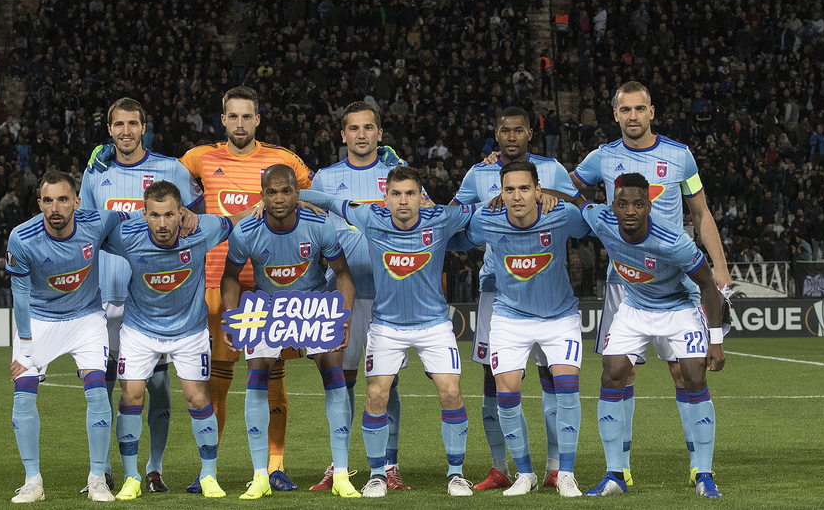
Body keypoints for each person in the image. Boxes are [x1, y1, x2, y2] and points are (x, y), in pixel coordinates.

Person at [570, 81, 730, 487]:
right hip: (624, 281)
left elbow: (701, 213)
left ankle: (699, 468)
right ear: (615, 114)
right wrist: (509, 168)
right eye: (625, 110)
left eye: (640, 109)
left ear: (651, 112)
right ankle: (618, 469)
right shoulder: (602, 157)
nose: (633, 116)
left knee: (684, 373)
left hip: (677, 273)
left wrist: (720, 265)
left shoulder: (679, 156)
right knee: (618, 373)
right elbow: (567, 188)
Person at [299, 166, 476, 498]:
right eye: (396, 194)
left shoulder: (441, 218)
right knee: (376, 395)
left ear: (421, 197)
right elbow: (330, 201)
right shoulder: (370, 217)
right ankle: (377, 475)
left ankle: (456, 474)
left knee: (451, 392)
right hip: (386, 326)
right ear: (386, 198)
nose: (403, 200)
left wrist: (515, 199)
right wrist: (291, 195)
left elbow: (480, 213)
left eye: (410, 194)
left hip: (434, 324)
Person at [180, 86, 313, 491]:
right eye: (233, 116)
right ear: (223, 120)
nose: (240, 124)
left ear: (258, 119)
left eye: (247, 116)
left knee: (273, 377)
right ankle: (208, 470)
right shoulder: (200, 158)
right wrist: (110, 155)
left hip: (272, 286)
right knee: (217, 381)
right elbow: (160, 179)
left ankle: (275, 467)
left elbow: (316, 194)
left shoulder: (283, 160)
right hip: (219, 282)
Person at [79, 97, 204, 494]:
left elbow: (196, 217)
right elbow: (85, 230)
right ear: (109, 129)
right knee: (104, 389)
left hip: (154, 302)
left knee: (158, 389)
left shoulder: (172, 170)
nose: (126, 131)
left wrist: (193, 215)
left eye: (133, 123)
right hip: (103, 298)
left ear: (144, 127)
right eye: (119, 124)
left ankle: (154, 469)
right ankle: (102, 471)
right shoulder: (96, 173)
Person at [452, 106, 578, 490]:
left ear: (529, 134)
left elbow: (576, 207)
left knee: (551, 375)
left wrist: (550, 195)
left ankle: (555, 467)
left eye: (518, 131)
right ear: (496, 134)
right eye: (505, 131)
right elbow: (455, 217)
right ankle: (501, 466)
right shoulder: (479, 172)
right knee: (494, 379)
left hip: (546, 287)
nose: (511, 137)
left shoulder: (552, 169)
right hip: (497, 286)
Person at [578, 172, 725, 498]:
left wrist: (716, 340)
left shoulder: (673, 241)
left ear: (649, 206)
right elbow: (575, 199)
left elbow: (707, 285)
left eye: (638, 204)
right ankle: (615, 474)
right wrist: (546, 194)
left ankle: (704, 474)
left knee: (694, 377)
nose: (630, 210)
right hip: (635, 308)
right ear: (613, 206)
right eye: (623, 204)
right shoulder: (601, 221)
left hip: (679, 308)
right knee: (612, 372)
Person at [221, 164, 360, 499]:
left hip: (314, 304)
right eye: (271, 192)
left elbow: (343, 274)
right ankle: (260, 476)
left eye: (286, 191)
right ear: (262, 195)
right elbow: (230, 277)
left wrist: (343, 317)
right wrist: (230, 315)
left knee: (335, 375)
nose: (279, 199)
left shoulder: (319, 225)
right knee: (256, 377)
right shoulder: (246, 231)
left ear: (298, 194)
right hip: (267, 305)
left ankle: (341, 474)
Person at [100, 181, 236, 500]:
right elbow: (90, 232)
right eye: (155, 215)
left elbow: (236, 219)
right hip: (139, 331)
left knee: (197, 398)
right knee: (131, 396)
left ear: (181, 213)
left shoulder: (202, 230)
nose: (162, 224)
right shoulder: (127, 236)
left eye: (169, 215)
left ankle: (209, 475)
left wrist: (263, 207)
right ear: (144, 214)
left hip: (189, 331)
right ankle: (131, 477)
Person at [5, 171, 131, 503]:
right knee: (23, 395)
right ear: (39, 203)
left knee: (97, 392)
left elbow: (129, 217)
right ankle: (33, 482)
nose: (55, 207)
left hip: (86, 318)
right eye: (48, 200)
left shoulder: (97, 222)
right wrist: (26, 347)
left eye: (63, 199)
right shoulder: (22, 237)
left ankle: (98, 479)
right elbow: (19, 296)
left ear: (76, 202)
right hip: (39, 320)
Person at [308, 102, 410, 491]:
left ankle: (390, 465)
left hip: (389, 295)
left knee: (388, 382)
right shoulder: (326, 178)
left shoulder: (397, 175)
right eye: (354, 128)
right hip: (342, 297)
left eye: (369, 128)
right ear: (343, 135)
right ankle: (340, 465)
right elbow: (311, 228)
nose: (361, 135)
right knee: (342, 379)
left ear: (380, 134)